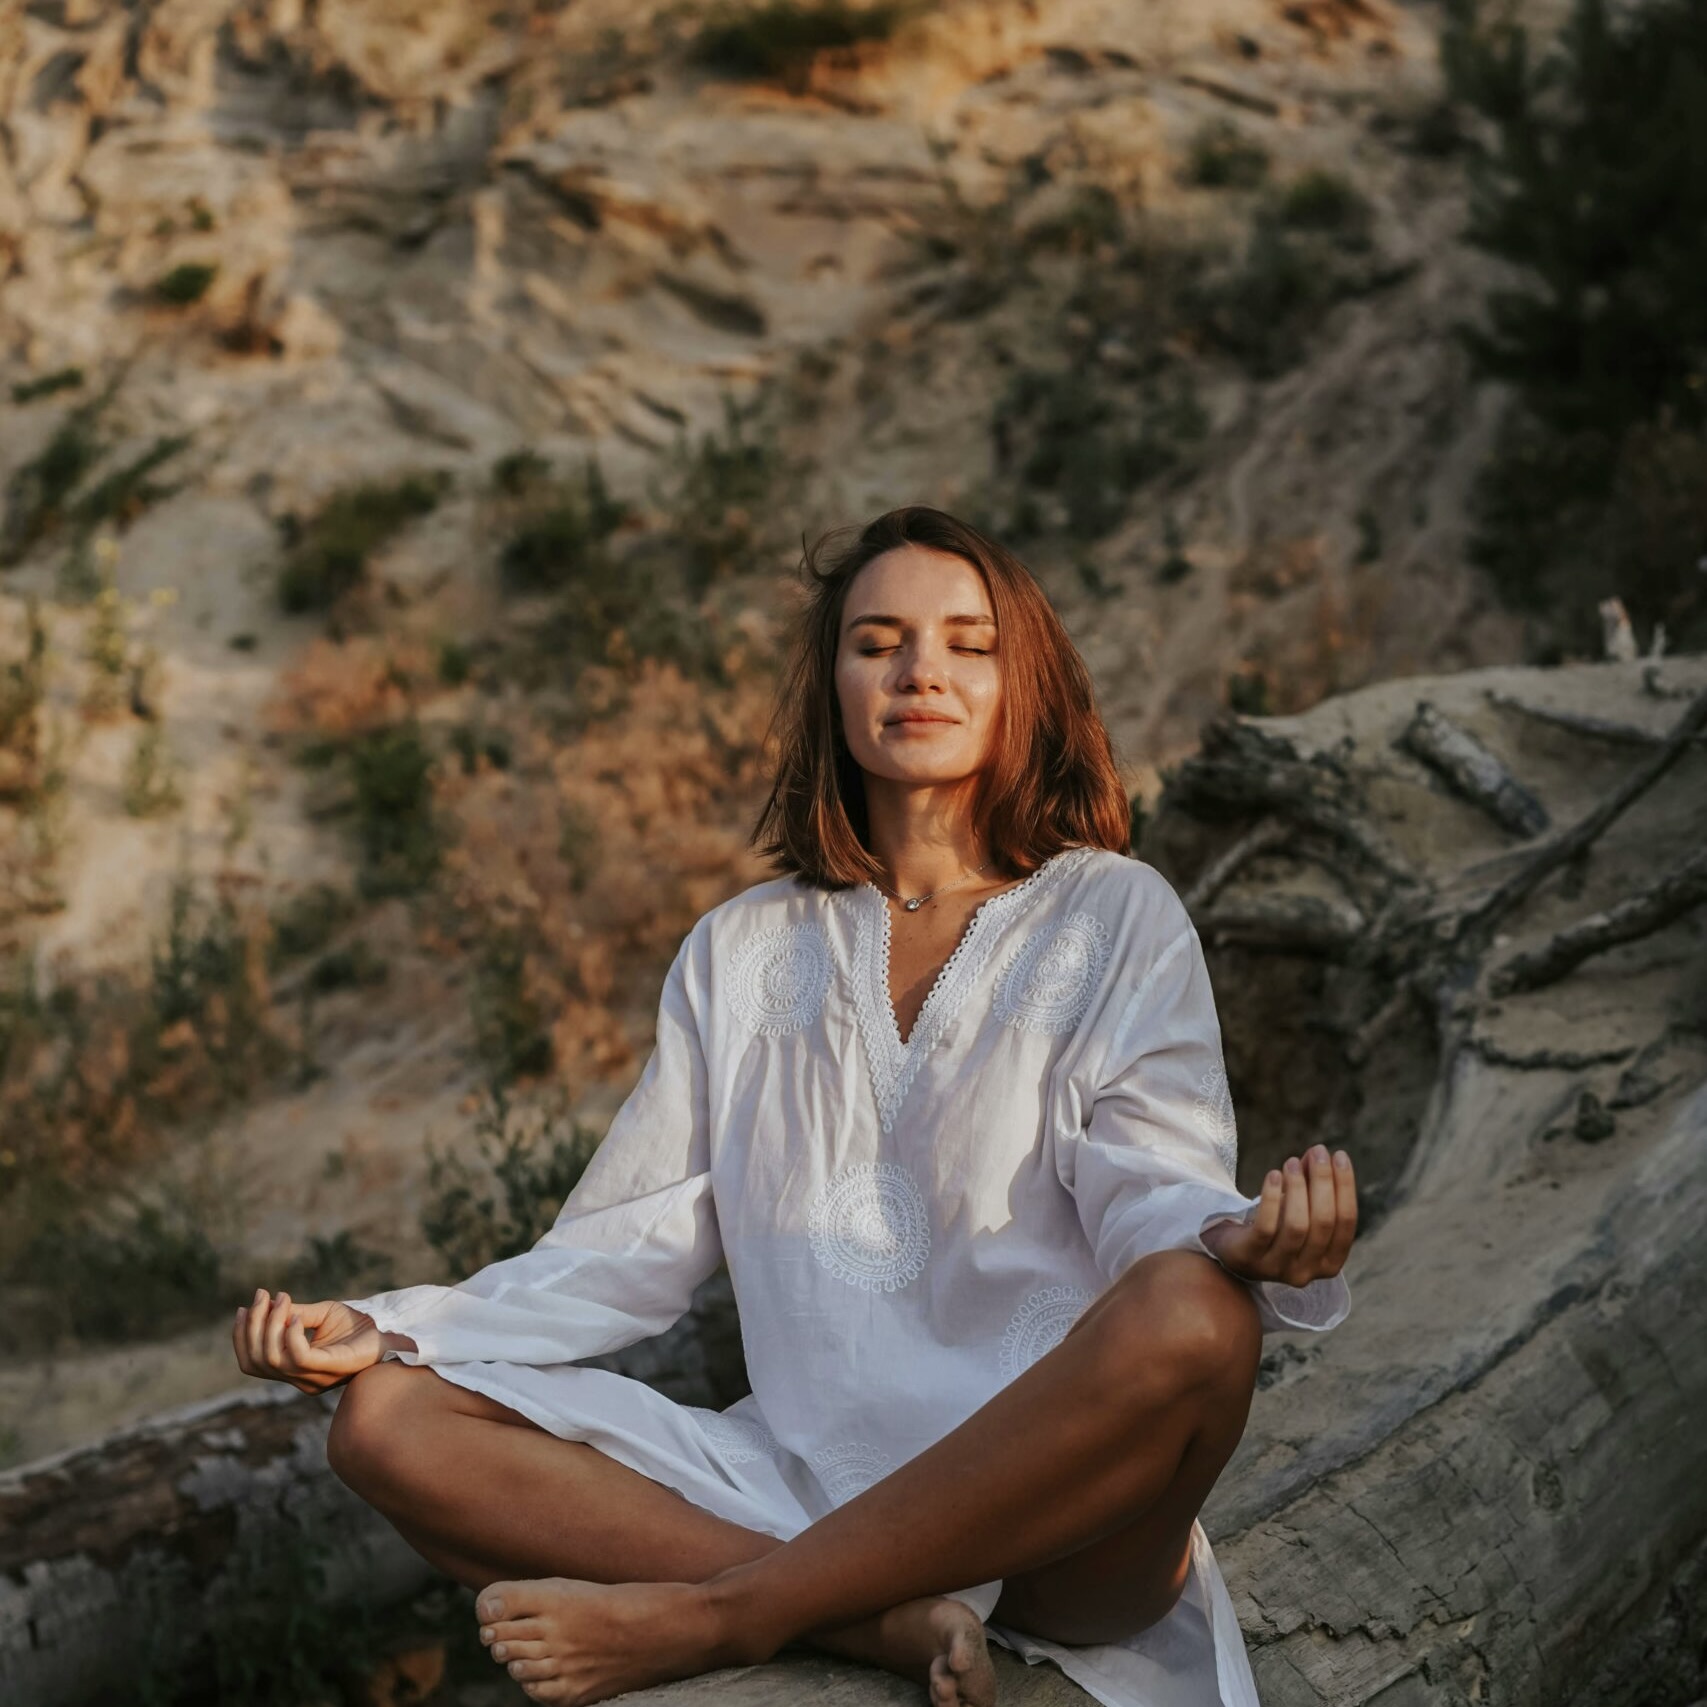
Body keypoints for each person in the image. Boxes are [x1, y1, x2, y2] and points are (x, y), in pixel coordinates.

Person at [233, 504, 1356, 1707]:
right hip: (799, 1484)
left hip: (1054, 1523)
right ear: (831, 682)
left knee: (1200, 1314)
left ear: (1024, 682)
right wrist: (393, 1327)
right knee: (385, 1426)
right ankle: (879, 1622)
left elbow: (1152, 1173)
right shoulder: (743, 951)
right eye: (879, 642)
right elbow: (624, 1249)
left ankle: (731, 1614)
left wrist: (1232, 1240)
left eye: (968, 644)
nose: (921, 671)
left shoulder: (1114, 915)